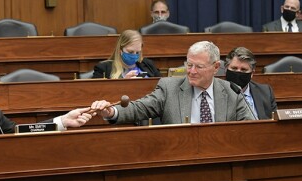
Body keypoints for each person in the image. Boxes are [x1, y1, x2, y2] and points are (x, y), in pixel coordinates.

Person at [90, 41, 255, 125]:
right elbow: (139, 108)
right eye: (189, 65)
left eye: (199, 67)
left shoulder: (231, 91)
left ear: (216, 67)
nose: (191, 71)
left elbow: (252, 128)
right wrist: (111, 112)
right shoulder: (169, 88)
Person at [225, 47, 277, 119]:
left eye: (243, 70)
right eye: (234, 68)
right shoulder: (215, 92)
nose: (238, 72)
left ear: (252, 73)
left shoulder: (265, 92)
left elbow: (274, 122)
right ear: (226, 69)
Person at [92, 30, 161, 79]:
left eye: (137, 52)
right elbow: (97, 92)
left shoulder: (148, 64)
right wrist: (124, 83)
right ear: (120, 50)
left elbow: (161, 85)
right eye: (130, 52)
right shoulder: (103, 68)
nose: (134, 55)